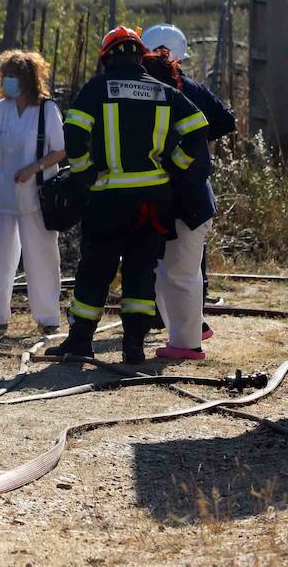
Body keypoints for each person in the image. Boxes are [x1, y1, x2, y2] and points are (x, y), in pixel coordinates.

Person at [41, 25, 209, 364]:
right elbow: (197, 128)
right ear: (140, 56)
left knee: (95, 269)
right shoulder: (164, 91)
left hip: (107, 199)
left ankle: (79, 342)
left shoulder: (97, 89)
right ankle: (133, 346)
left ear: (107, 58)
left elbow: (72, 131)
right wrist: (173, 169)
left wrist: (86, 173)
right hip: (152, 200)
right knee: (140, 270)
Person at [140, 24, 235, 361]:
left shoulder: (157, 92)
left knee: (179, 272)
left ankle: (188, 342)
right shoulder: (191, 88)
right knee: (173, 272)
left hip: (182, 198)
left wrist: (185, 151)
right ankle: (189, 330)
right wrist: (197, 143)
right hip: (190, 194)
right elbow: (226, 121)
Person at [0, 50, 67, 334]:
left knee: (41, 255)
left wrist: (34, 167)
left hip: (35, 194)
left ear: (27, 78)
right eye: (5, 77)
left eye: (13, 77)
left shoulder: (46, 110)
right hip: (4, 194)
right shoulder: (1, 109)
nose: (7, 82)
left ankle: (48, 317)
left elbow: (61, 150)